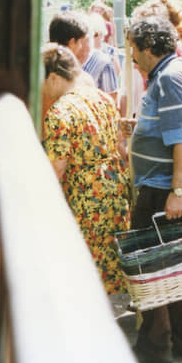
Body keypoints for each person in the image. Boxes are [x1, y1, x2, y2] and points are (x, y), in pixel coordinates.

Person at [118, 14, 182, 363]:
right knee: (180, 267)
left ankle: (155, 349)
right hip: (171, 187)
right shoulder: (175, 72)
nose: (132, 57)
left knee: (154, 270)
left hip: (165, 190)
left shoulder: (170, 78)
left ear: (147, 47)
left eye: (134, 49)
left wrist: (176, 191)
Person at [41, 43, 131, 295]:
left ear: (54, 77)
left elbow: (56, 168)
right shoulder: (101, 97)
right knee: (106, 260)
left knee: (80, 263)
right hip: (113, 187)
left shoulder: (59, 112)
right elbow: (118, 145)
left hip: (84, 193)